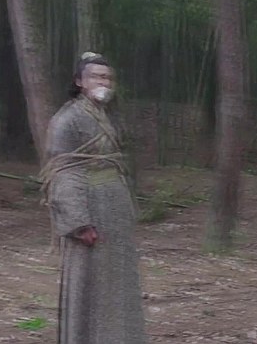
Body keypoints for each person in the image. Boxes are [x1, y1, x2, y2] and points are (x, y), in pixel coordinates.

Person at [41, 52, 146, 344]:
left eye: (107, 77)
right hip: (90, 212)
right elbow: (62, 171)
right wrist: (79, 222)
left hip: (114, 211)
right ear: (80, 82)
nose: (104, 82)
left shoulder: (109, 116)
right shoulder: (67, 119)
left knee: (118, 283)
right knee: (89, 283)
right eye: (96, 76)